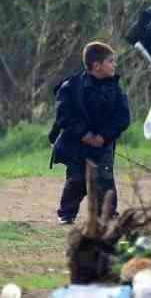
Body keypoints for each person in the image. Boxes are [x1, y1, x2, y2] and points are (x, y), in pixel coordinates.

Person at [48, 41, 131, 225]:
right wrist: (83, 134)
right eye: (111, 61)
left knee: (105, 178)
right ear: (96, 66)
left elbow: (122, 118)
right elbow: (64, 115)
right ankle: (66, 213)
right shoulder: (71, 87)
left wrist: (103, 136)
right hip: (77, 143)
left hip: (103, 144)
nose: (114, 65)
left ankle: (108, 213)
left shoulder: (115, 89)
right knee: (76, 180)